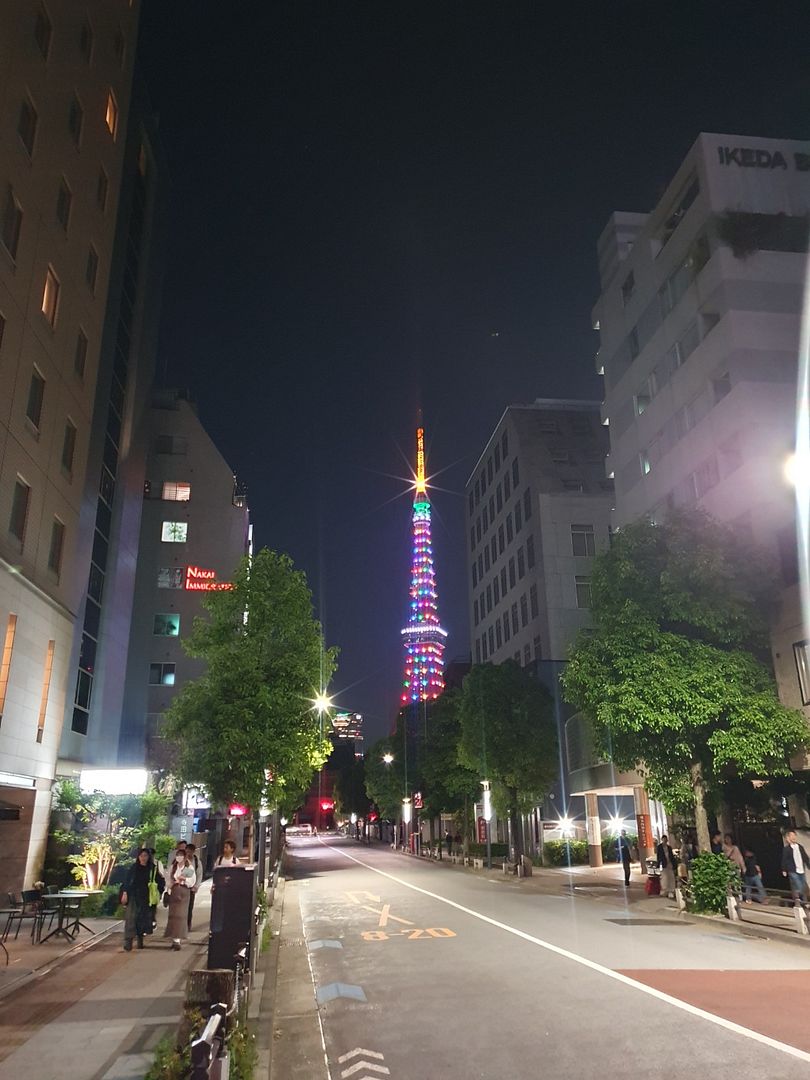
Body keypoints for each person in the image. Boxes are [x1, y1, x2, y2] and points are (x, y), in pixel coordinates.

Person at [121, 849, 162, 951]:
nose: (143, 858)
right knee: (131, 918)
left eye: (145, 856)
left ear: (149, 857)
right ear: (138, 857)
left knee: (142, 919)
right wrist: (125, 893)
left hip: (147, 898)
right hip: (134, 896)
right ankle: (128, 942)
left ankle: (140, 939)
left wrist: (159, 892)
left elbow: (160, 881)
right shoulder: (134, 868)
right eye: (141, 856)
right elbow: (127, 881)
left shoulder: (152, 868)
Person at [164, 850, 196, 950]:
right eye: (178, 855)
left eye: (181, 855)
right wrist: (171, 884)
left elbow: (191, 881)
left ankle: (178, 940)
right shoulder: (173, 867)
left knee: (181, 915)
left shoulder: (188, 868)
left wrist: (184, 879)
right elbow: (168, 880)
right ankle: (174, 939)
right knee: (173, 915)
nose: (179, 857)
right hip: (174, 891)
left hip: (184, 892)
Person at [781, 829, 810, 903]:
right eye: (791, 836)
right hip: (793, 870)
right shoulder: (787, 849)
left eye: (794, 835)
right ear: (788, 838)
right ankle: (800, 900)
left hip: (801, 869)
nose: (793, 837)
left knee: (803, 887)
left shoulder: (800, 847)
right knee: (799, 886)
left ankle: (803, 900)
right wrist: (784, 869)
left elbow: (805, 857)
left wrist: (808, 865)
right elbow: (784, 859)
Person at [185, 842, 201, 932]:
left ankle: (188, 924)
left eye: (190, 851)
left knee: (189, 907)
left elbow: (199, 874)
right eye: (187, 851)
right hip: (182, 887)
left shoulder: (196, 861)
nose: (188, 853)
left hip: (191, 888)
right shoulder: (182, 861)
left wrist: (196, 886)